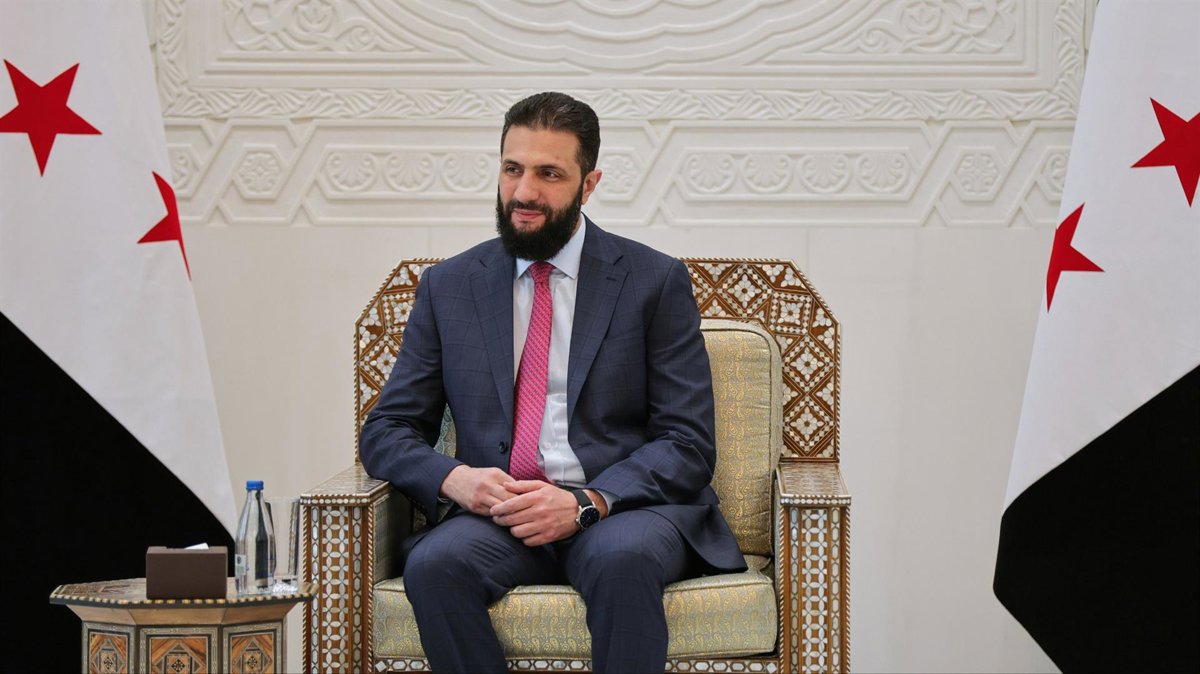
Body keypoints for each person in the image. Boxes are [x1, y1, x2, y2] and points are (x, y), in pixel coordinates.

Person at [360, 91, 745, 674]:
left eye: (549, 174)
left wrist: (586, 503)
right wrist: (456, 479)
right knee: (436, 565)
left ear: (589, 185)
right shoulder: (450, 286)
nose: (524, 192)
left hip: (620, 512)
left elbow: (687, 441)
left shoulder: (653, 280)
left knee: (621, 562)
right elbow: (387, 430)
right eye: (512, 169)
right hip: (501, 517)